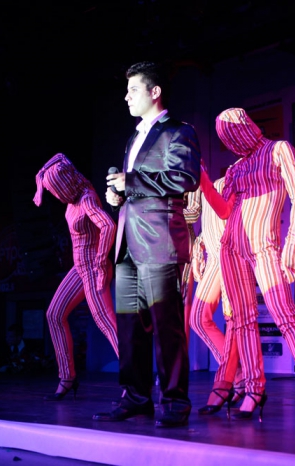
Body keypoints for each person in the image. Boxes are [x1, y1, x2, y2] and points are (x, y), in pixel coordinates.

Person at [200, 108, 295, 423]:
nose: (232, 143)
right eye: (226, 140)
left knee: (286, 316)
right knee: (244, 322)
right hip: (232, 249)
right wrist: (204, 180)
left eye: (233, 135)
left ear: (246, 126)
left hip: (265, 247)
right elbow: (224, 212)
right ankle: (253, 389)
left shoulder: (279, 150)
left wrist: (293, 244)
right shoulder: (235, 168)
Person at [93, 61, 201, 427]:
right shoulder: (132, 138)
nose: (126, 97)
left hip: (159, 243)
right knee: (129, 328)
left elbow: (184, 177)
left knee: (166, 327)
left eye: (133, 90)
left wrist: (132, 181)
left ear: (155, 92)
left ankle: (175, 402)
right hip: (128, 245)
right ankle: (136, 398)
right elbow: (138, 189)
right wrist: (119, 196)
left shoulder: (179, 131)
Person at [33, 153, 119, 400]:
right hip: (79, 268)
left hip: (93, 267)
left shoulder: (86, 198)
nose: (56, 196)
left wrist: (101, 261)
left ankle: (135, 381)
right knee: (54, 314)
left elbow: (108, 226)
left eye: (56, 190)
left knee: (106, 323)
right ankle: (67, 377)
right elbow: (57, 158)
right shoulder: (72, 200)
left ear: (66, 183)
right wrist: (40, 182)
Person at [185, 176, 244, 415]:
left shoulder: (226, 179)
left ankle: (236, 379)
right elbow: (205, 218)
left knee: (232, 320)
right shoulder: (200, 184)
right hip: (212, 255)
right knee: (199, 319)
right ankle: (238, 376)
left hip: (225, 253)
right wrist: (199, 244)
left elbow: (202, 214)